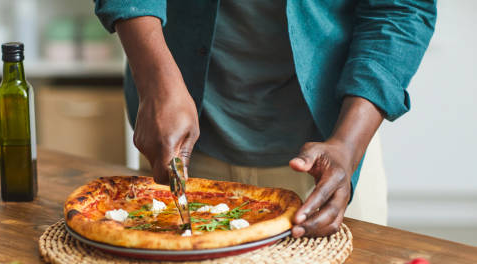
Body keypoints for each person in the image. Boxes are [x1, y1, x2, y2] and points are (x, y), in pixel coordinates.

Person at [94, 1, 436, 238]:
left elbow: (400, 8)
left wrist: (348, 143)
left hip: (335, 151)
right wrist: (155, 83)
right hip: (181, 139)